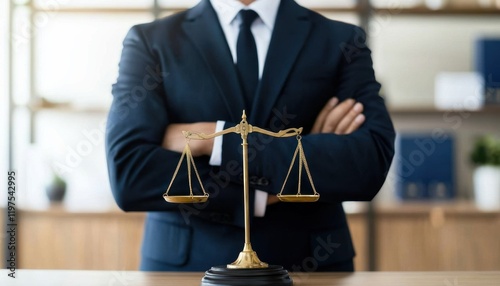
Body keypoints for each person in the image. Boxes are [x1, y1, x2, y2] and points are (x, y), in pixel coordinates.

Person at [105, 0, 395, 272]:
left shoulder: (341, 40)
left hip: (311, 267)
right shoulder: (152, 41)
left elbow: (369, 163)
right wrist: (297, 162)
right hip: (187, 270)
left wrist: (214, 139)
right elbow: (130, 174)